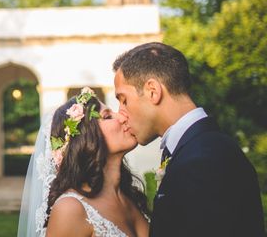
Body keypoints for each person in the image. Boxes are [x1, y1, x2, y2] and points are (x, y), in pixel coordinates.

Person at [113, 42, 265, 237]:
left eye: (124, 100)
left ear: (153, 91)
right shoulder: (201, 148)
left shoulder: (203, 161)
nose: (121, 114)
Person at [17, 87, 150, 237]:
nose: (122, 117)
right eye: (107, 117)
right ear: (85, 139)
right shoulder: (71, 209)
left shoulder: (131, 196)